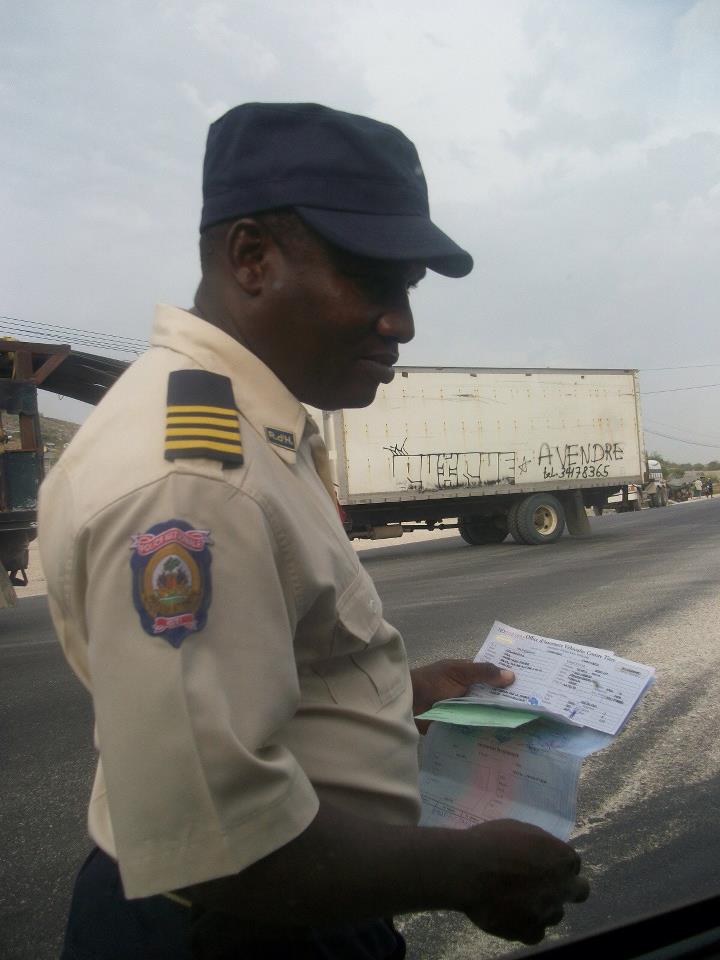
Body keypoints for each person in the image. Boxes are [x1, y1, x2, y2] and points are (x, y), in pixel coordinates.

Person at [39, 103, 589, 960]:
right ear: (251, 259)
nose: (402, 322)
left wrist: (402, 696)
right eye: (372, 280)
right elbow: (218, 840)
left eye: (409, 287)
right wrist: (465, 871)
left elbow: (265, 673)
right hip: (234, 933)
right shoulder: (193, 478)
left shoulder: (246, 426)